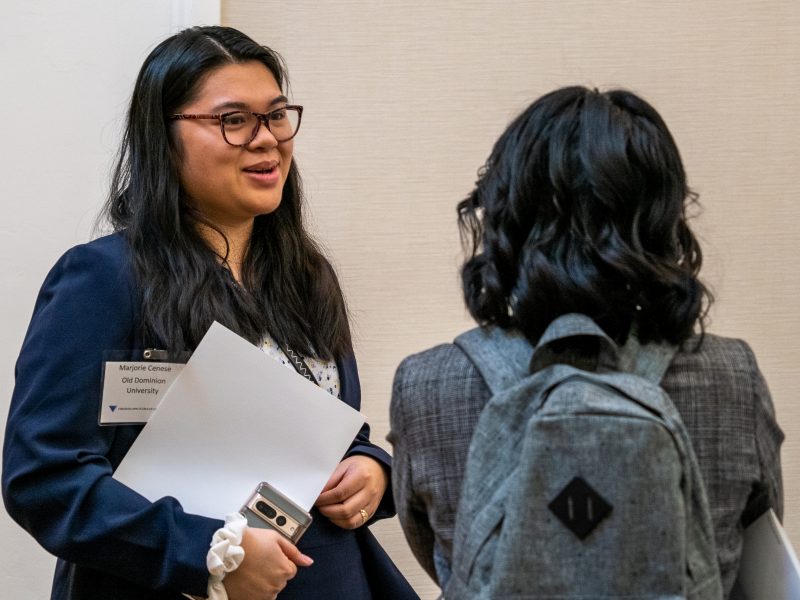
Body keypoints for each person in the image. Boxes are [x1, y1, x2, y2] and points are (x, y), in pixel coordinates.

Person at [3, 26, 416, 600]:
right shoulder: (105, 278)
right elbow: (45, 479)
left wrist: (370, 469)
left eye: (276, 116)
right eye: (233, 120)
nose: (266, 139)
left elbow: (323, 431)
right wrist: (210, 554)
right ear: (164, 137)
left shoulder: (307, 275)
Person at [388, 86, 783, 597]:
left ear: (503, 214)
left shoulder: (425, 386)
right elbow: (756, 548)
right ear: (662, 219)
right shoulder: (732, 378)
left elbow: (445, 558)